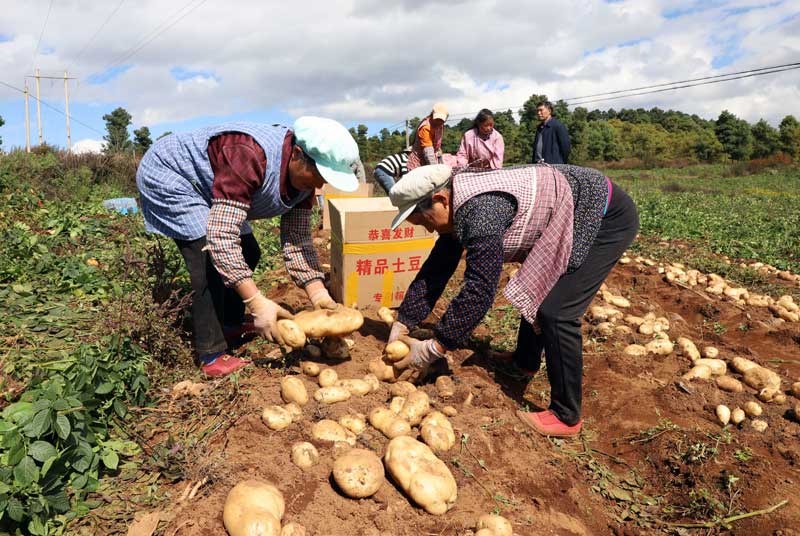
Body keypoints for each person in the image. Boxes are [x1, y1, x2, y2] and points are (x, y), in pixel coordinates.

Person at [385, 163, 638, 437]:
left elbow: (480, 289)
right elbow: (438, 266)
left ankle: (566, 416)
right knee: (539, 286)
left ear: (440, 199)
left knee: (557, 311)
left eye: (423, 221)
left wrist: (435, 347)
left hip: (602, 215)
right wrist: (405, 320)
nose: (428, 229)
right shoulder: (456, 205)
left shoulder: (480, 211)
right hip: (572, 204)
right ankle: (525, 362)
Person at [137, 117, 359, 377]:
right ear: (298, 154)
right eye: (318, 176)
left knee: (249, 250)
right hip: (174, 177)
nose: (319, 185)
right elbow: (220, 237)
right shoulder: (248, 154)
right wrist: (256, 302)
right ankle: (212, 355)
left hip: (214, 185)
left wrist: (319, 294)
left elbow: (298, 239)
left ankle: (230, 321)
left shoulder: (304, 182)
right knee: (207, 259)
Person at [407, 103, 448, 170]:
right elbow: (428, 152)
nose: (439, 122)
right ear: (432, 115)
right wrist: (436, 170)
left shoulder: (440, 125)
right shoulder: (426, 128)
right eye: (437, 119)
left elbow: (436, 143)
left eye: (441, 120)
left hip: (430, 162)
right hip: (418, 164)